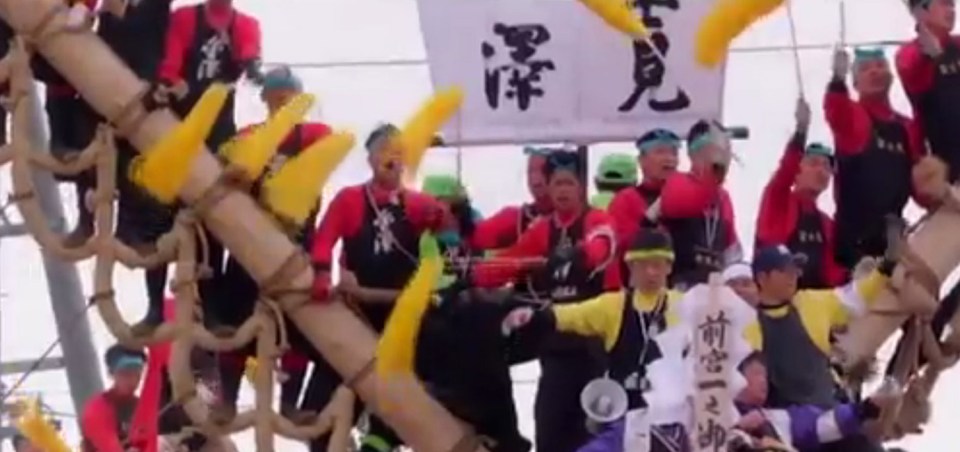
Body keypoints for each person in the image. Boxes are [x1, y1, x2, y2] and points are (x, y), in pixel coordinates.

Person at [306, 123, 444, 451]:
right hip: (356, 313)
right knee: (323, 407)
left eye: (398, 153)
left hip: (402, 317)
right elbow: (323, 242)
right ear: (370, 160)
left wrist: (443, 218)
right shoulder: (350, 199)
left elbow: (450, 239)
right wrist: (323, 275)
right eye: (384, 153)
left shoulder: (419, 203)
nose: (391, 160)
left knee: (400, 402)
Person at [471, 150, 619, 452]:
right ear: (548, 188)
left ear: (581, 187)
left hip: (592, 347)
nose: (563, 190)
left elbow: (602, 244)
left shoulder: (596, 219)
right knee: (549, 433)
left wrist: (578, 255)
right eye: (557, 184)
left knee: (589, 436)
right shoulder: (542, 228)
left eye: (569, 183)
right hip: (554, 347)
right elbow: (510, 261)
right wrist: (471, 276)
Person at [501, 228, 688, 452]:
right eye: (642, 264)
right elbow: (571, 314)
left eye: (657, 264)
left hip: (671, 425)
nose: (650, 272)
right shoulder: (614, 305)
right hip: (623, 423)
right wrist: (535, 315)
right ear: (630, 267)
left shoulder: (688, 305)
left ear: (669, 267)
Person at [215, 66, 330, 420]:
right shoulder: (249, 135)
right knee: (234, 317)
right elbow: (226, 159)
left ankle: (290, 403)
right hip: (251, 237)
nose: (281, 102)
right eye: (275, 96)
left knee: (298, 322)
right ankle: (228, 400)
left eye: (288, 96)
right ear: (264, 100)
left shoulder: (314, 134)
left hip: (296, 239)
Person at [155, 0, 264, 321]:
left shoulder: (245, 24)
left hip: (218, 125)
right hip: (180, 117)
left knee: (213, 206)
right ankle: (165, 294)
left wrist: (252, 67)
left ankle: (211, 303)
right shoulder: (186, 18)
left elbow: (249, 53)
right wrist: (170, 81)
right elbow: (171, 61)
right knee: (170, 207)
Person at [98, 0, 178, 336]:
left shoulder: (156, 8)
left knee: (159, 217)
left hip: (156, 116)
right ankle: (154, 304)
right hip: (118, 116)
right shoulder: (107, 16)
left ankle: (158, 306)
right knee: (128, 191)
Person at [825, 47, 927, 272]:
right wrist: (837, 81)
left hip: (892, 242)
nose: (874, 72)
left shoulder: (906, 126)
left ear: (891, 76)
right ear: (856, 84)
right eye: (865, 69)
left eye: (880, 66)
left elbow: (921, 190)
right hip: (854, 248)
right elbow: (836, 113)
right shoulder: (855, 115)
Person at [756, 98, 845, 289]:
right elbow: (783, 175)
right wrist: (800, 133)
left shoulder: (827, 224)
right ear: (797, 170)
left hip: (817, 306)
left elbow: (832, 273)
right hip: (780, 302)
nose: (821, 171)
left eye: (826, 167)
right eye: (813, 164)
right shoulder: (778, 203)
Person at [35, 0, 99, 247]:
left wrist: (84, 7)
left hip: (78, 65)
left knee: (83, 154)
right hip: (52, 56)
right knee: (63, 151)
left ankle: (87, 220)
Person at [649, 120, 741, 289]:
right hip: (678, 286)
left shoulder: (723, 198)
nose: (722, 157)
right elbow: (682, 204)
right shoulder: (677, 182)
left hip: (714, 288)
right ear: (693, 153)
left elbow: (732, 250)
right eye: (714, 150)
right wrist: (712, 175)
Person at [732, 352, 886, 452]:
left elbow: (817, 426)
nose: (763, 381)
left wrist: (859, 411)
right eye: (757, 373)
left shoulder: (775, 417)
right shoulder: (717, 412)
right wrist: (739, 427)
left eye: (765, 376)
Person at [896, 0, 960, 181]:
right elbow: (913, 75)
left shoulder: (957, 44)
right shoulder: (909, 53)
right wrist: (927, 55)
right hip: (950, 173)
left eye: (952, 5)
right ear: (921, 10)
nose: (951, 10)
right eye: (944, 4)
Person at [608, 128, 681, 248]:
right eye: (660, 152)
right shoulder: (625, 200)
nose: (669, 158)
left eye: (674, 153)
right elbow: (622, 245)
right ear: (641, 160)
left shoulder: (688, 199)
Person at [473, 147, 553, 250]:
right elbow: (472, 236)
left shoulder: (577, 218)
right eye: (531, 171)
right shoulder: (515, 217)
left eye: (544, 171)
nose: (535, 180)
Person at [81, 344, 147, 452]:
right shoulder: (98, 408)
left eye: (137, 373)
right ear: (111, 373)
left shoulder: (142, 407)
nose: (132, 379)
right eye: (125, 373)